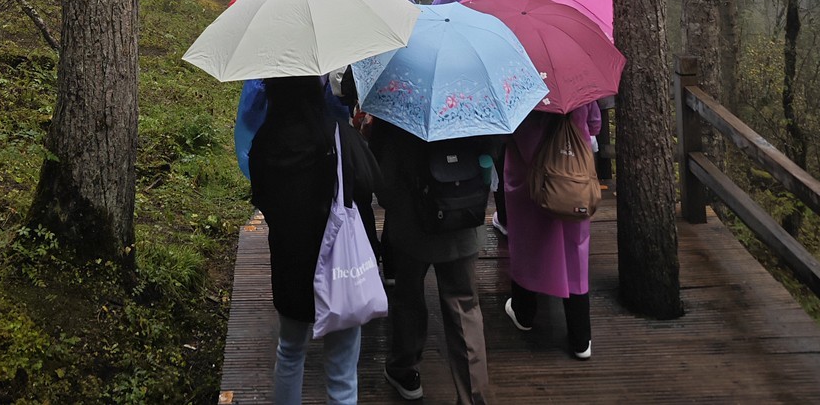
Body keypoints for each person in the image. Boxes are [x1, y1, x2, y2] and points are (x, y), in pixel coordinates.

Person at [248, 75, 381, 405]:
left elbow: (262, 198)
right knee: (341, 371)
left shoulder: (264, 141)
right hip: (340, 266)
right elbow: (370, 183)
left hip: (290, 263)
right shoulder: (336, 134)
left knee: (290, 352)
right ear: (315, 86)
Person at [370, 118, 494, 405]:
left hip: (412, 222)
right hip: (463, 215)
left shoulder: (396, 101)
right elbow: (491, 153)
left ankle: (405, 367)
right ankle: (473, 394)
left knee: (408, 295)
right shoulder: (475, 98)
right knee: (463, 304)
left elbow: (383, 178)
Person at [501, 101, 602, 359]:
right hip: (572, 175)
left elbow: (506, 127)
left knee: (528, 240)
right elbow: (594, 124)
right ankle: (581, 338)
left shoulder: (519, 81)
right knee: (574, 251)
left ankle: (524, 312)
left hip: (529, 174)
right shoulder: (576, 77)